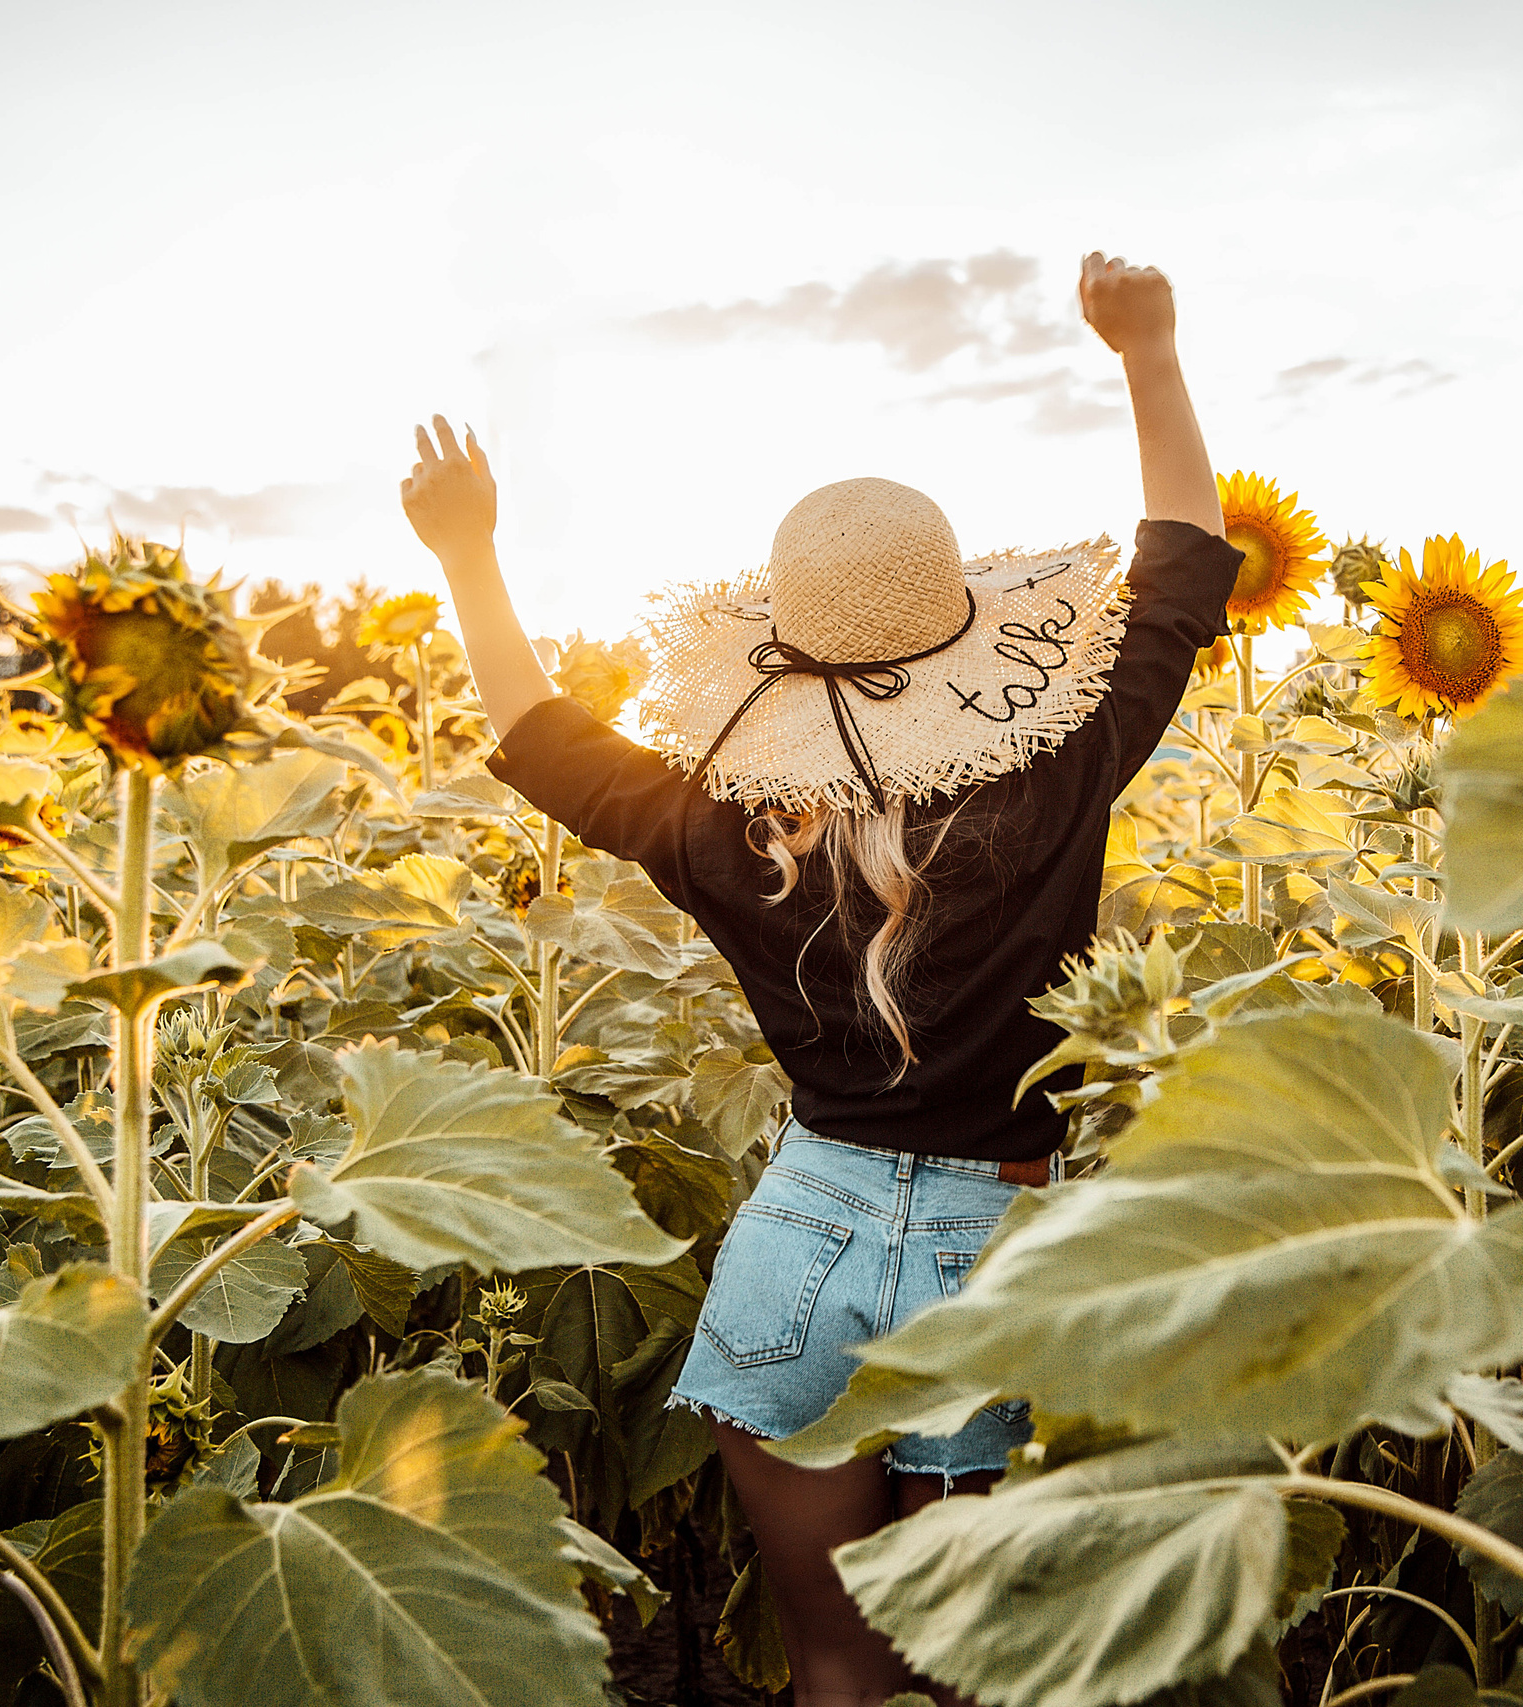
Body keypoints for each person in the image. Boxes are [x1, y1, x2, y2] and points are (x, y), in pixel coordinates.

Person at [400, 252, 1240, 1707]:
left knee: (840, 1679)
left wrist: (467, 552)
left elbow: (539, 735)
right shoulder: (1057, 777)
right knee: (989, 1678)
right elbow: (1176, 576)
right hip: (1006, 1259)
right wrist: (1147, 350)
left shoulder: (722, 832)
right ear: (971, 652)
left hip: (802, 1244)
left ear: (780, 673)